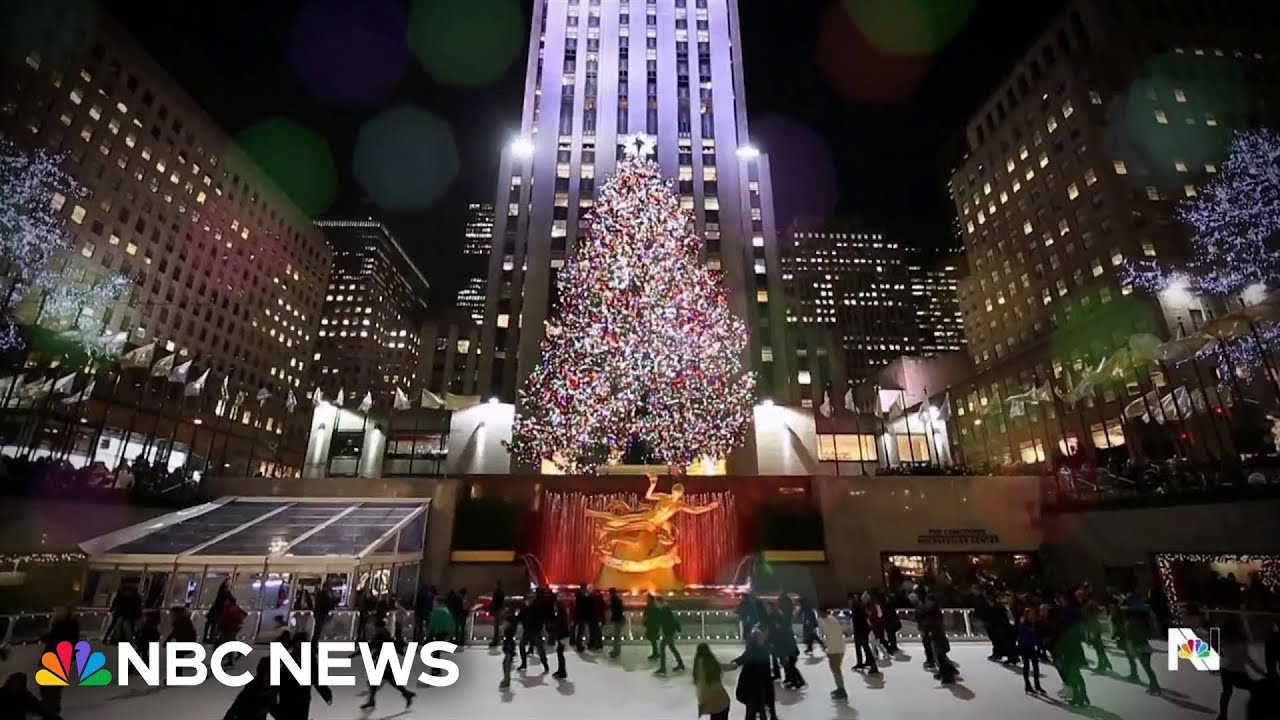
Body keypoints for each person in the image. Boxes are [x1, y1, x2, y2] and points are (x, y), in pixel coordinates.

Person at [361, 618, 416, 710]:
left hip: (385, 660)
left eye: (375, 627)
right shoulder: (384, 634)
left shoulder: (381, 635)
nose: (375, 629)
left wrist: (353, 655)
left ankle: (372, 701)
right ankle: (406, 694)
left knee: (376, 681)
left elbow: (373, 645)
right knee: (388, 681)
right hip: (386, 659)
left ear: (379, 627)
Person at [272, 637, 332, 720]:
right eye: (297, 646)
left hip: (302, 700)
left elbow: (316, 678)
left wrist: (326, 693)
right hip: (287, 700)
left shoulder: (310, 661)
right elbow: (278, 680)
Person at [1219, 616, 1264, 720]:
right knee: (1255, 690)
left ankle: (1222, 716)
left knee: (1226, 693)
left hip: (1226, 671)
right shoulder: (1241, 641)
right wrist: (1262, 672)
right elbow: (1247, 659)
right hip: (1238, 673)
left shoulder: (1225, 640)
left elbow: (1223, 654)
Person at [39, 607, 78, 715]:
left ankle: (50, 709)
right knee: (54, 686)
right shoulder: (70, 626)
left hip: (56, 657)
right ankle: (52, 709)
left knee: (50, 686)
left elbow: (52, 639)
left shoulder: (62, 626)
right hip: (62, 657)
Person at [734, 629, 778, 720]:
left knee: (752, 711)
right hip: (760, 686)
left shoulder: (753, 649)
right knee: (759, 710)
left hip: (752, 686)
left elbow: (743, 658)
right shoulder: (763, 650)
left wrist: (734, 663)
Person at [1121, 603, 1160, 694]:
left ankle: (1155, 687)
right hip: (1146, 647)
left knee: (1147, 668)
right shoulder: (1142, 623)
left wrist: (1131, 649)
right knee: (1148, 668)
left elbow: (1130, 638)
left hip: (1139, 648)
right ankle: (1154, 686)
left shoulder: (1130, 624)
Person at [693, 643, 731, 720]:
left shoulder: (701, 665)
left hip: (714, 703)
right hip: (723, 700)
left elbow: (702, 687)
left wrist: (701, 704)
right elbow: (724, 667)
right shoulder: (712, 662)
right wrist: (735, 665)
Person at [818, 607, 848, 701]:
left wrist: (825, 646)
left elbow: (829, 637)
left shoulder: (828, 622)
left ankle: (841, 690)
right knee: (836, 669)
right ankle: (840, 688)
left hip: (835, 650)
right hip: (838, 648)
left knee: (835, 670)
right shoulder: (832, 620)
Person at [1016, 607, 1046, 695]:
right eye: (1030, 614)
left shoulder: (1034, 623)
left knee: (1036, 666)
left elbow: (1037, 635)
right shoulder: (1023, 624)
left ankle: (1037, 685)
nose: (1032, 615)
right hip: (1024, 646)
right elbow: (1022, 635)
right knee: (1026, 666)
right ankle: (1027, 685)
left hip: (1032, 646)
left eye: (1033, 613)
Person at [517, 595, 549, 673]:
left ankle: (545, 664)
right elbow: (519, 618)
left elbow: (541, 619)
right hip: (527, 631)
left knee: (540, 648)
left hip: (535, 631)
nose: (527, 602)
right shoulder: (523, 609)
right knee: (521, 646)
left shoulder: (536, 609)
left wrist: (540, 628)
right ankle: (524, 663)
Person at [849, 592, 879, 675]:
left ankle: (873, 665)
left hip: (861, 630)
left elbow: (862, 619)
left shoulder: (858, 607)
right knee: (859, 646)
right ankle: (862, 662)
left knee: (865, 647)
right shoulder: (858, 606)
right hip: (861, 630)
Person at [655, 596, 685, 675]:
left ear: (659, 602)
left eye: (656, 603)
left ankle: (663, 668)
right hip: (669, 632)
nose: (656, 604)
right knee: (672, 648)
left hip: (669, 632)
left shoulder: (664, 610)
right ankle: (680, 664)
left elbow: (667, 622)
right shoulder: (665, 609)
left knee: (662, 647)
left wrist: (663, 631)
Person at [551, 597, 572, 680]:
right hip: (562, 637)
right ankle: (561, 670)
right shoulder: (561, 614)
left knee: (560, 654)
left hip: (562, 637)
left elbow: (562, 627)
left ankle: (562, 671)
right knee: (560, 654)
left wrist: (560, 637)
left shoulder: (561, 615)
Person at [499, 607, 519, 690]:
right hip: (509, 644)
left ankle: (507, 680)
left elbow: (504, 634)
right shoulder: (512, 624)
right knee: (506, 663)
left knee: (506, 663)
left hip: (509, 644)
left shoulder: (509, 627)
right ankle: (506, 679)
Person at [607, 587, 626, 659]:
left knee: (617, 636)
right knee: (617, 636)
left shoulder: (615, 600)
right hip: (619, 619)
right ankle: (617, 650)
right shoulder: (618, 599)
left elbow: (615, 610)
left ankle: (616, 651)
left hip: (617, 620)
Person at [643, 594, 662, 660]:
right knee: (652, 639)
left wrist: (646, 621)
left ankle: (655, 653)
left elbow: (650, 615)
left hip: (652, 625)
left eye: (647, 598)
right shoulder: (653, 606)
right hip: (652, 625)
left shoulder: (651, 606)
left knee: (652, 639)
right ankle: (655, 653)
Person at [488, 581, 506, 648]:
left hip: (497, 610)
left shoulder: (496, 593)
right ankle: (498, 639)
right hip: (499, 610)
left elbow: (494, 602)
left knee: (496, 626)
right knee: (498, 626)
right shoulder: (502, 592)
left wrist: (491, 609)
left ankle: (496, 640)